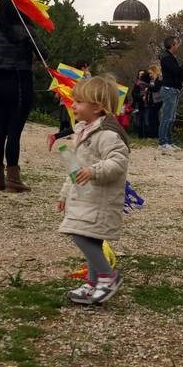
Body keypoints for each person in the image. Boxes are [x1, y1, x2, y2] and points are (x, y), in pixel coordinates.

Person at [57, 75, 131, 305]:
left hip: (100, 201)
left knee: (79, 235)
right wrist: (64, 194)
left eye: (79, 101)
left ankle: (107, 276)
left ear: (97, 107)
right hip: (83, 199)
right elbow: (74, 168)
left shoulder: (108, 134)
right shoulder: (82, 131)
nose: (73, 105)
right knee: (89, 237)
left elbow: (118, 164)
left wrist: (94, 170)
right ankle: (92, 282)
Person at [0, 0, 45, 192]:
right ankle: (13, 178)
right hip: (20, 82)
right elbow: (44, 54)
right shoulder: (27, 31)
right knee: (14, 132)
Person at [157, 38, 183, 149]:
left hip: (174, 89)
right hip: (168, 89)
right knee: (166, 116)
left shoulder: (171, 58)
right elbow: (176, 71)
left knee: (172, 117)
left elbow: (177, 73)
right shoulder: (166, 58)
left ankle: (168, 141)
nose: (178, 46)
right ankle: (162, 142)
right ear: (173, 45)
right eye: (177, 44)